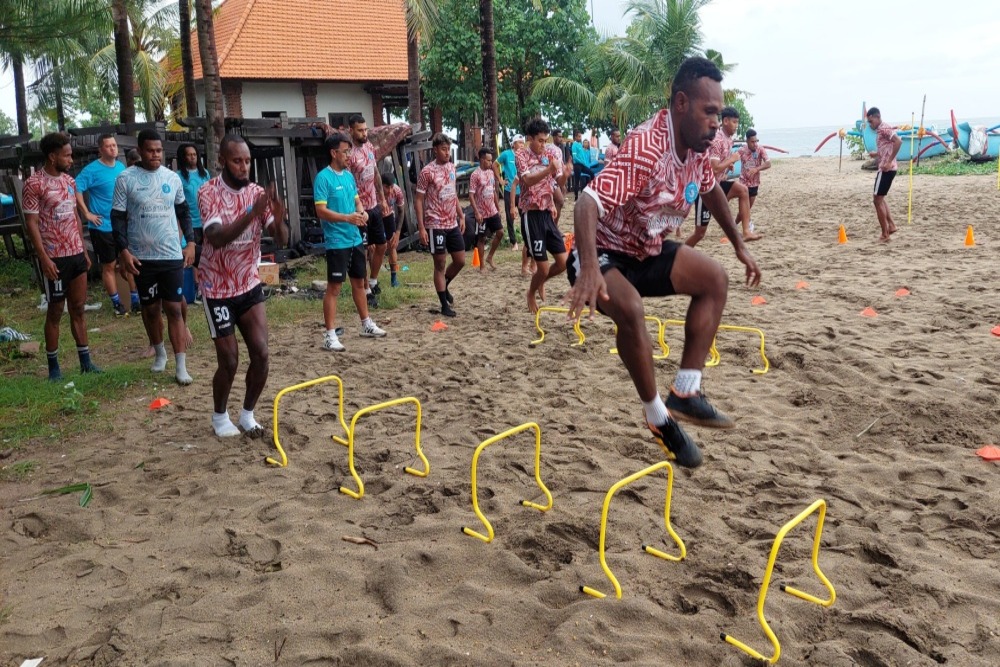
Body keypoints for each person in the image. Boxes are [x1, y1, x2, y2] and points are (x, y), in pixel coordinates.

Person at [566, 56, 762, 469]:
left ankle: (686, 392)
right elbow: (587, 202)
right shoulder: (646, 148)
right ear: (680, 104)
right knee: (631, 310)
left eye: (718, 112)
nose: (716, 121)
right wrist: (586, 267)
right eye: (709, 112)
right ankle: (658, 417)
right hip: (601, 251)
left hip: (647, 251)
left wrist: (740, 245)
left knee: (715, 279)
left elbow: (710, 191)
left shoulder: (695, 149)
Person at [197, 135, 286, 437]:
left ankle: (247, 414)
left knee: (261, 353)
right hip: (216, 288)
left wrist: (279, 218)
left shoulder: (258, 193)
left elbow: (282, 238)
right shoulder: (208, 192)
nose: (244, 166)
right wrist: (253, 211)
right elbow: (217, 238)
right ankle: (220, 416)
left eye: (247, 160)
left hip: (248, 283)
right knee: (230, 360)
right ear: (222, 161)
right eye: (237, 160)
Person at [112, 129, 196, 385]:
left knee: (174, 308)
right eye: (150, 150)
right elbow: (117, 218)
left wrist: (191, 242)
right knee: (150, 310)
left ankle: (181, 365)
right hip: (141, 257)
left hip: (171, 253)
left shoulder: (172, 178)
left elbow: (184, 212)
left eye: (159, 151)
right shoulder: (126, 179)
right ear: (140, 150)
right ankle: (160, 353)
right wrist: (123, 251)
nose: (155, 155)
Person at [23, 132, 101, 380]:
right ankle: (54, 368)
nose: (71, 158)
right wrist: (43, 258)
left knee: (78, 308)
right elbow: (32, 224)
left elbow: (75, 217)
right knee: (56, 311)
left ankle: (85, 362)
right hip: (54, 258)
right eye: (66, 155)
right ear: (52, 156)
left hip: (76, 254)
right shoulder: (34, 184)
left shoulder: (69, 181)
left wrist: (83, 250)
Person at [314, 132, 387, 351]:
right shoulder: (323, 178)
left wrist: (362, 213)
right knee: (334, 288)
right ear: (333, 153)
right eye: (345, 151)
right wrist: (347, 218)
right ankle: (329, 335)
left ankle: (366, 323)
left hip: (355, 237)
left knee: (359, 282)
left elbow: (357, 202)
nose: (349, 155)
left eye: (350, 151)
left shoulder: (348, 177)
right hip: (337, 241)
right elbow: (320, 210)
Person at [75, 134, 134, 316]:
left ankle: (136, 300)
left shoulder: (121, 167)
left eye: (114, 145)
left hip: (122, 225)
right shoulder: (91, 170)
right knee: (109, 265)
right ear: (101, 149)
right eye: (108, 146)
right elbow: (76, 188)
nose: (112, 149)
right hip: (101, 226)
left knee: (129, 262)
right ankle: (117, 304)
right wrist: (86, 213)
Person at [685, 106, 760, 246]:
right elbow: (713, 169)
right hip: (705, 188)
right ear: (725, 121)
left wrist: (728, 165)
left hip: (717, 184)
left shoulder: (728, 139)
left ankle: (746, 232)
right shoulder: (717, 140)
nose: (736, 126)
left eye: (737, 122)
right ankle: (677, 256)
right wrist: (731, 160)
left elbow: (719, 164)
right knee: (699, 233)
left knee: (743, 190)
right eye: (734, 122)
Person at [516, 118, 567, 313]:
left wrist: (566, 174)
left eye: (545, 140)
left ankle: (540, 281)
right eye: (540, 140)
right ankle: (530, 292)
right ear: (530, 139)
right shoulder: (521, 155)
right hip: (532, 215)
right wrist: (548, 170)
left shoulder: (549, 154)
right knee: (543, 267)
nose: (543, 144)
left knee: (562, 262)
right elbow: (527, 180)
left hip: (547, 213)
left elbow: (557, 181)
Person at [415, 133, 465, 317]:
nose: (447, 153)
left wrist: (461, 216)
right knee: (440, 262)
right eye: (443, 149)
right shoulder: (427, 172)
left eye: (448, 149)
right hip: (435, 222)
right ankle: (444, 304)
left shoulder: (452, 167)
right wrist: (421, 227)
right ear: (435, 150)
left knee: (460, 260)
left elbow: (453, 194)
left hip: (452, 222)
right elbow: (418, 199)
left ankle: (444, 285)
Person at [347, 115, 391, 307]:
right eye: (360, 130)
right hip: (359, 209)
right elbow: (347, 183)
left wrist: (382, 198)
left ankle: (372, 280)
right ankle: (365, 289)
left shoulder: (369, 148)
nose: (364, 133)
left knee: (381, 245)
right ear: (352, 131)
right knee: (364, 250)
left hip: (373, 206)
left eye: (365, 130)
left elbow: (375, 174)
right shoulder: (348, 155)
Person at [176, 143, 211, 300]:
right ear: (183, 157)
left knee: (208, 254)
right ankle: (196, 287)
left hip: (206, 221)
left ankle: (207, 286)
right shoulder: (178, 176)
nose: (192, 157)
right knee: (194, 256)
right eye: (189, 154)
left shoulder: (205, 174)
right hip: (189, 222)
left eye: (194, 154)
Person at [866, 107, 901, 242]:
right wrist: (877, 154)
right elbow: (888, 147)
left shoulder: (884, 129)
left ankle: (885, 234)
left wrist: (889, 161)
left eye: (871, 121)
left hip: (886, 169)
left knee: (877, 200)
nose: (870, 124)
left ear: (877, 117)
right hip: (889, 168)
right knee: (880, 198)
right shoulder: (883, 129)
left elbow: (898, 141)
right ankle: (891, 225)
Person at [469, 147, 503, 271]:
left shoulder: (490, 173)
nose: (490, 162)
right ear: (482, 160)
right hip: (482, 212)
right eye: (488, 160)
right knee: (482, 238)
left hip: (492, 210)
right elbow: (471, 195)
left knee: (500, 233)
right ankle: (482, 265)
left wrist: (498, 208)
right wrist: (476, 212)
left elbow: (493, 190)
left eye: (491, 160)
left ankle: (490, 257)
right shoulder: (475, 175)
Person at [494, 134, 523, 250]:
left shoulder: (524, 155)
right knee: (510, 217)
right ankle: (513, 242)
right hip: (508, 190)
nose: (521, 145)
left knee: (524, 216)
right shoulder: (506, 154)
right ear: (514, 144)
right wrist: (500, 180)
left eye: (522, 142)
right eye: (519, 142)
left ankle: (526, 238)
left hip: (522, 192)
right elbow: (494, 165)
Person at [737, 129, 770, 214]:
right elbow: (731, 161)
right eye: (752, 142)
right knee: (743, 210)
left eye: (756, 141)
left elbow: (768, 164)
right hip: (743, 183)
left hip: (754, 184)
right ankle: (739, 225)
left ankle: (736, 223)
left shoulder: (760, 149)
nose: (755, 144)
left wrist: (757, 169)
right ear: (747, 141)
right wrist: (727, 170)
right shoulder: (742, 150)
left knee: (747, 210)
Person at [381, 173, 405, 287]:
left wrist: (398, 231)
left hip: (389, 215)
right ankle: (373, 281)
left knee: (392, 245)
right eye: (387, 187)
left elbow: (401, 211)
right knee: (374, 247)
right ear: (381, 185)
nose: (390, 190)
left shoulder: (397, 191)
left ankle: (394, 278)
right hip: (375, 215)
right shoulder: (374, 191)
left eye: (391, 187)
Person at [571, 130, 596, 198]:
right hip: (577, 165)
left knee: (591, 173)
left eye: (580, 136)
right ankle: (576, 197)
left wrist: (584, 162)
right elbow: (575, 157)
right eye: (579, 137)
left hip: (582, 165)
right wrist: (582, 162)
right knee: (577, 181)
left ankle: (593, 189)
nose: (580, 138)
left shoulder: (580, 145)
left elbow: (582, 156)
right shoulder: (574, 145)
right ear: (575, 137)